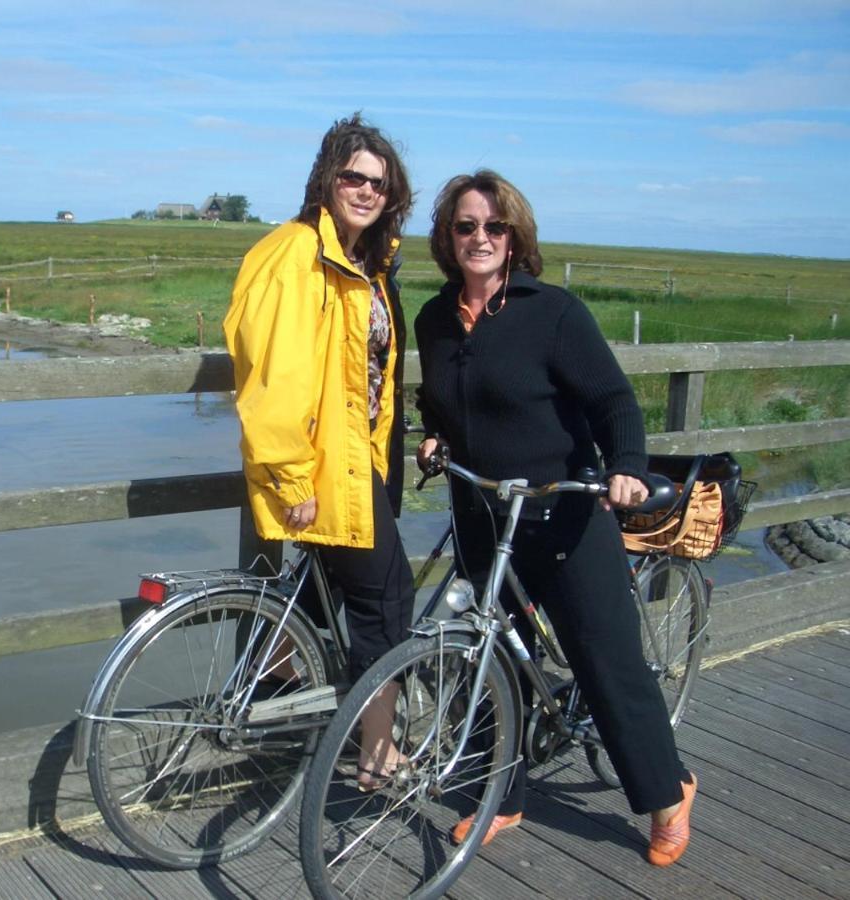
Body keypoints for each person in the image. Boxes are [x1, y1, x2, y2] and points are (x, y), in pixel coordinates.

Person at [413, 169, 697, 866]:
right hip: (484, 515)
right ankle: (502, 795)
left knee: (605, 658)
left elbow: (613, 401)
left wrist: (627, 465)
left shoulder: (555, 311)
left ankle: (667, 791)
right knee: (489, 656)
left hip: (565, 511)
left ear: (515, 236)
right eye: (466, 226)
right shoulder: (433, 317)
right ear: (448, 238)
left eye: (494, 226)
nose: (480, 237)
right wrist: (434, 436)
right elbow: (449, 402)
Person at [223, 114, 415, 788]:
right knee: (388, 601)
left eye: (379, 183)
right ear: (327, 178)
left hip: (361, 459)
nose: (365, 190)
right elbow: (276, 377)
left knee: (330, 597)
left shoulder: (366, 259)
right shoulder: (295, 254)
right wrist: (291, 475)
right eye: (353, 176)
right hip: (323, 467)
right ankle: (376, 750)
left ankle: (275, 702)